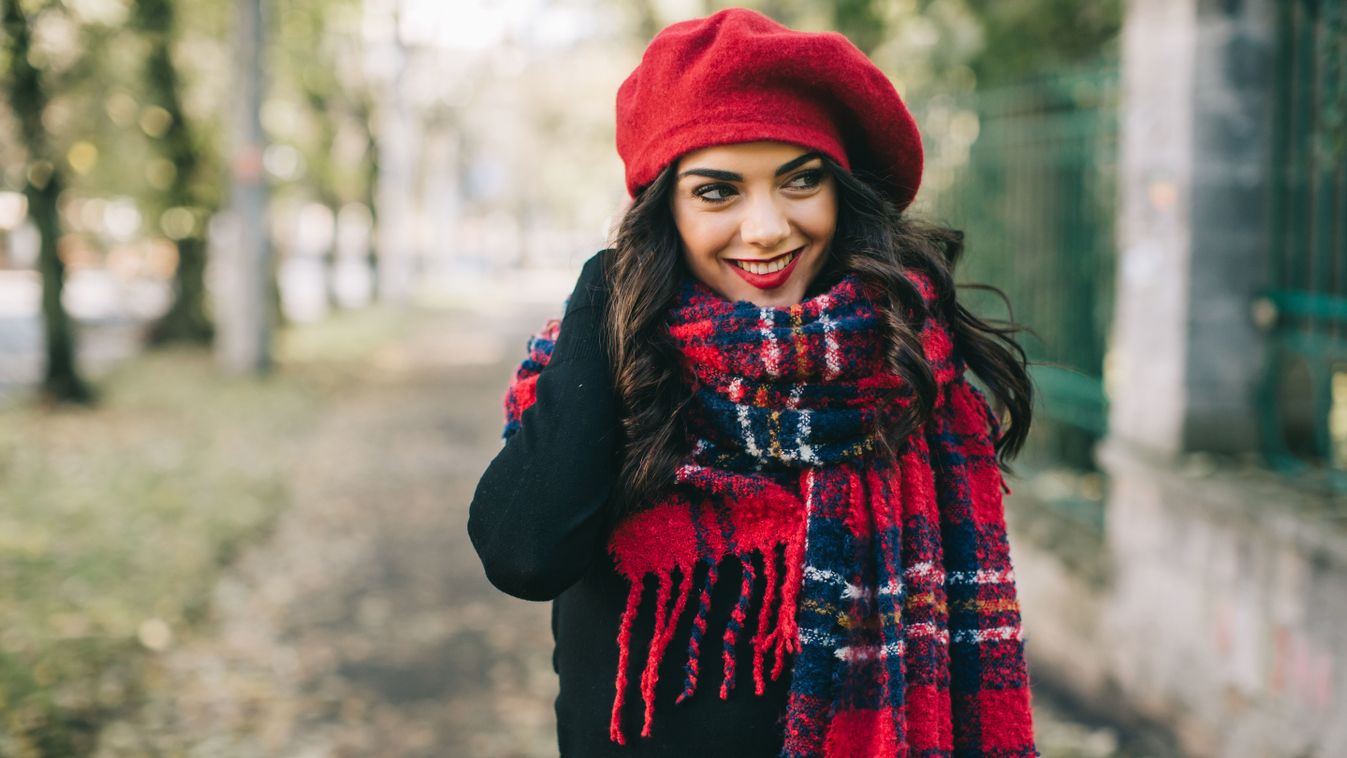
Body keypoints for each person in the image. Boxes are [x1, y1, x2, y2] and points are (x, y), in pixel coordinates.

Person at [468, 8, 1039, 757]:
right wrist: (606, 294)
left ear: (843, 192)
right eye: (717, 192)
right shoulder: (612, 358)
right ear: (662, 209)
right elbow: (523, 554)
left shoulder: (905, 363)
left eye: (800, 181)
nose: (766, 227)